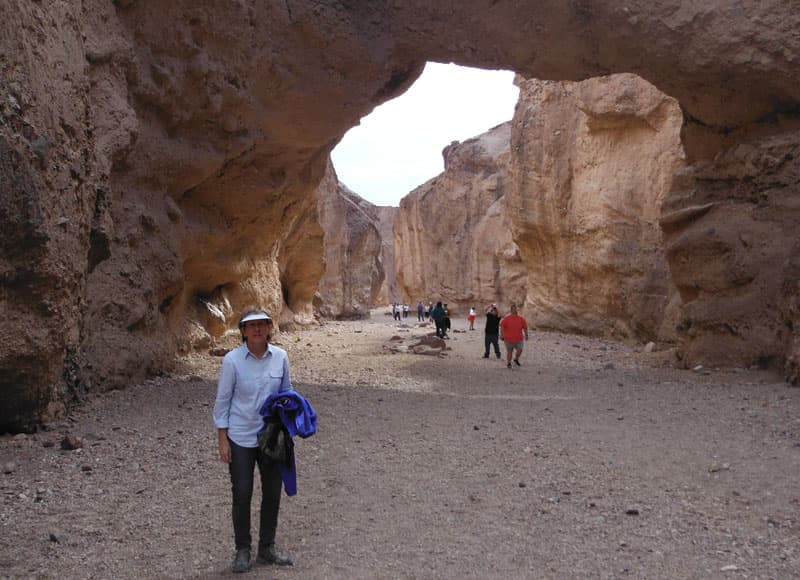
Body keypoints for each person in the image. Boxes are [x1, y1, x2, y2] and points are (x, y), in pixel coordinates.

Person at [213, 309, 295, 573]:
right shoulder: (232, 361)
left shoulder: (281, 357)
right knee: (242, 493)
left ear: (270, 328)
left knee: (272, 493)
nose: (257, 329)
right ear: (243, 331)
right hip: (241, 436)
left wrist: (293, 420)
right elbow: (223, 401)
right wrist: (222, 440)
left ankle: (267, 548)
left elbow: (287, 393)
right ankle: (242, 550)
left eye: (262, 325)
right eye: (251, 326)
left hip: (271, 437)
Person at [499, 303, 529, 369]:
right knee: (509, 352)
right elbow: (502, 327)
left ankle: (516, 359)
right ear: (511, 310)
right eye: (513, 309)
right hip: (508, 339)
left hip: (519, 339)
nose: (515, 310)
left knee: (520, 349)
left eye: (515, 309)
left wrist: (526, 335)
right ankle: (509, 363)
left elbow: (525, 327)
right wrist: (501, 335)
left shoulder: (521, 319)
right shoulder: (506, 319)